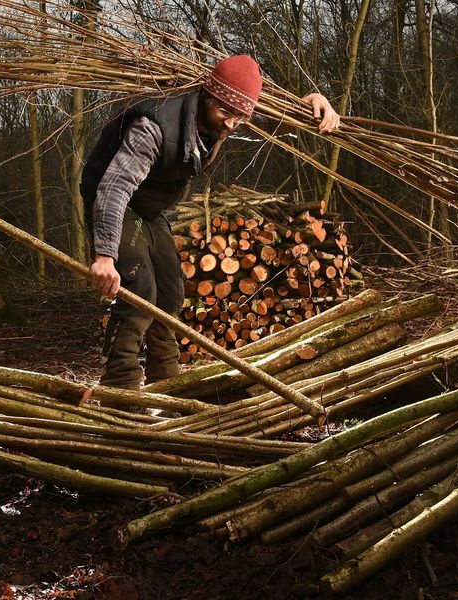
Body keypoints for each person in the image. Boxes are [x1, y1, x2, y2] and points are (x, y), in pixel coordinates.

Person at [80, 55, 339, 392]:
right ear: (207, 96)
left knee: (170, 292)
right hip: (114, 200)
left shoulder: (227, 113)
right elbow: (114, 188)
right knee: (139, 287)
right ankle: (120, 386)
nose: (231, 124)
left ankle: (165, 380)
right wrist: (104, 256)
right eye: (225, 113)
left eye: (239, 117)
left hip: (149, 208)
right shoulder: (154, 127)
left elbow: (266, 121)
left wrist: (311, 103)